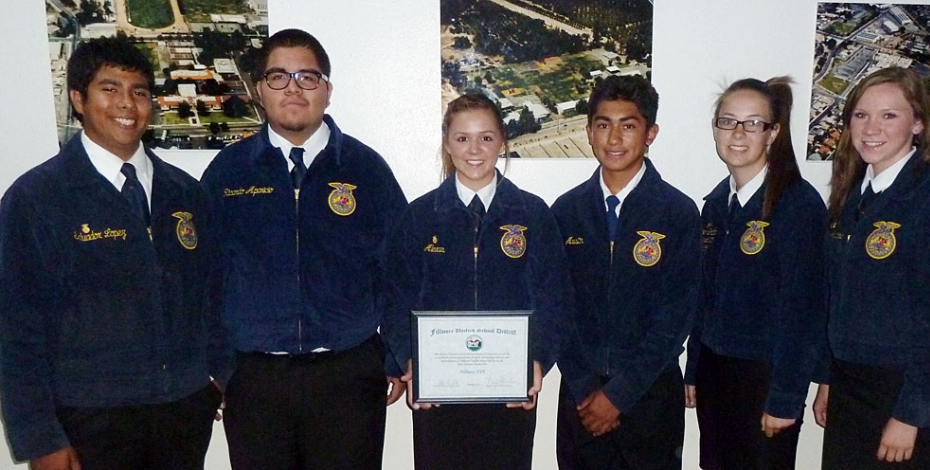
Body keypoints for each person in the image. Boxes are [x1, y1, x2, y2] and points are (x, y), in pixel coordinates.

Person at [0, 36, 233, 470]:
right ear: (78, 99)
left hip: (182, 413)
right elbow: (16, 328)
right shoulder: (36, 199)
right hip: (88, 420)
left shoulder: (185, 193)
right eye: (109, 89)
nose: (127, 104)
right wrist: (39, 438)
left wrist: (216, 375)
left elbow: (214, 293)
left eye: (139, 92)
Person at [200, 29, 407, 469]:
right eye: (278, 76)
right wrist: (216, 363)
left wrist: (395, 354)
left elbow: (399, 270)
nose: (293, 88)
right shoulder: (227, 173)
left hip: (347, 375)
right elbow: (204, 275)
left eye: (307, 77)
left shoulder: (365, 170)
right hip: (254, 379)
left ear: (327, 90)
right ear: (259, 90)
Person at [382, 93, 572, 469]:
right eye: (462, 137)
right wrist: (409, 359)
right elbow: (393, 299)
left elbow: (556, 300)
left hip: (509, 392)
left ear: (502, 141)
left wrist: (538, 359)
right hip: (438, 390)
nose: (474, 149)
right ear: (447, 143)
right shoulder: (419, 217)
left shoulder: (533, 215)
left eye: (486, 137)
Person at [814, 66, 930, 468]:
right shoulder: (854, 196)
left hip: (898, 388)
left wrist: (910, 414)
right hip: (850, 382)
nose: (870, 128)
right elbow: (839, 299)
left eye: (889, 115)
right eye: (861, 114)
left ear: (918, 123)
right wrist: (829, 377)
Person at [552, 74, 701, 469]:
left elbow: (676, 317)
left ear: (650, 133)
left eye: (628, 125)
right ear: (588, 131)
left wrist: (619, 395)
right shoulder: (565, 213)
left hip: (649, 397)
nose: (614, 139)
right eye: (603, 125)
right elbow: (557, 309)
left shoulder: (678, 213)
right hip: (580, 398)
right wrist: (586, 388)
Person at [682, 77, 826, 470]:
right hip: (716, 373)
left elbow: (805, 313)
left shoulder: (798, 206)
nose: (739, 133)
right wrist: (694, 368)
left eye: (753, 123)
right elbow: (705, 299)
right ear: (715, 128)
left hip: (765, 379)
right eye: (728, 122)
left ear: (773, 133)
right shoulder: (715, 206)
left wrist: (786, 396)